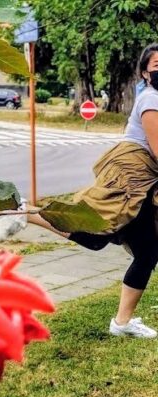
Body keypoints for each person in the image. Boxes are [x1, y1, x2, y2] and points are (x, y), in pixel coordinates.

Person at [26, 43, 158, 338]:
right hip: (130, 178)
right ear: (145, 73)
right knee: (101, 235)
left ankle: (122, 323)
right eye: (157, 66)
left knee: (144, 250)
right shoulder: (151, 101)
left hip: (143, 180)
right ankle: (27, 213)